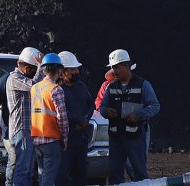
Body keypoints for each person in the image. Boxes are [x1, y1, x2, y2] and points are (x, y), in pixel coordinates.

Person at [100, 49, 160, 184]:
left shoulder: (143, 85)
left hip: (135, 137)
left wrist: (138, 115)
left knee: (138, 171)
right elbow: (102, 107)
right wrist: (106, 111)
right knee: (115, 172)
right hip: (116, 137)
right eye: (112, 68)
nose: (114, 71)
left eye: (117, 67)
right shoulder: (111, 87)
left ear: (127, 66)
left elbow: (155, 106)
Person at [6, 47, 44, 186]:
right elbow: (35, 85)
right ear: (27, 68)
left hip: (28, 130)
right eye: (34, 70)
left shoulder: (21, 78)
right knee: (23, 169)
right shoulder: (14, 78)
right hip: (21, 130)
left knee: (28, 169)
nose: (35, 73)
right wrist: (40, 66)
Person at [56, 51, 94, 186]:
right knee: (63, 175)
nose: (76, 71)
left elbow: (91, 104)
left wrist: (85, 119)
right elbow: (61, 111)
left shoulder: (81, 86)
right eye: (72, 69)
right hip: (66, 141)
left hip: (81, 139)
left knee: (80, 174)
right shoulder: (57, 89)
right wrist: (78, 120)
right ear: (62, 71)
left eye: (77, 68)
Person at [31, 53, 69, 186]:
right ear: (58, 70)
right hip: (51, 139)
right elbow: (62, 119)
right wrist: (64, 139)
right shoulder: (56, 89)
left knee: (43, 174)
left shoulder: (34, 88)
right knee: (49, 176)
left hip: (36, 138)